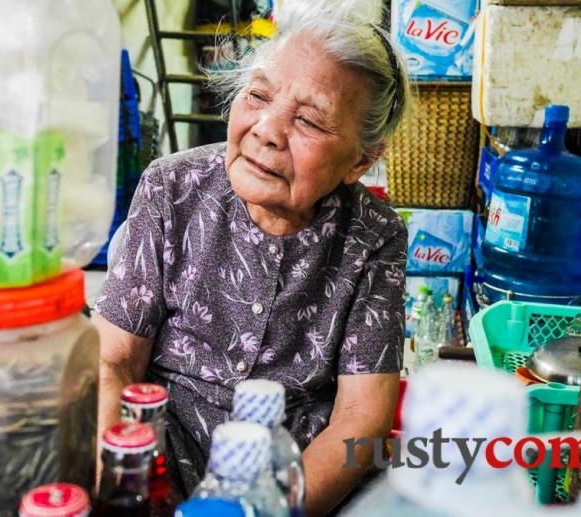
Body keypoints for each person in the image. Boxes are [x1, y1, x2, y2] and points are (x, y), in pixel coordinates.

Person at [93, 2, 411, 514]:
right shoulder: (171, 188)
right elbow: (116, 360)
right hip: (158, 473)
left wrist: (264, 510)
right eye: (258, 95)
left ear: (361, 159)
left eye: (308, 120)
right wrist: (120, 489)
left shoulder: (374, 236)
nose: (266, 128)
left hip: (295, 482)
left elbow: (360, 418)